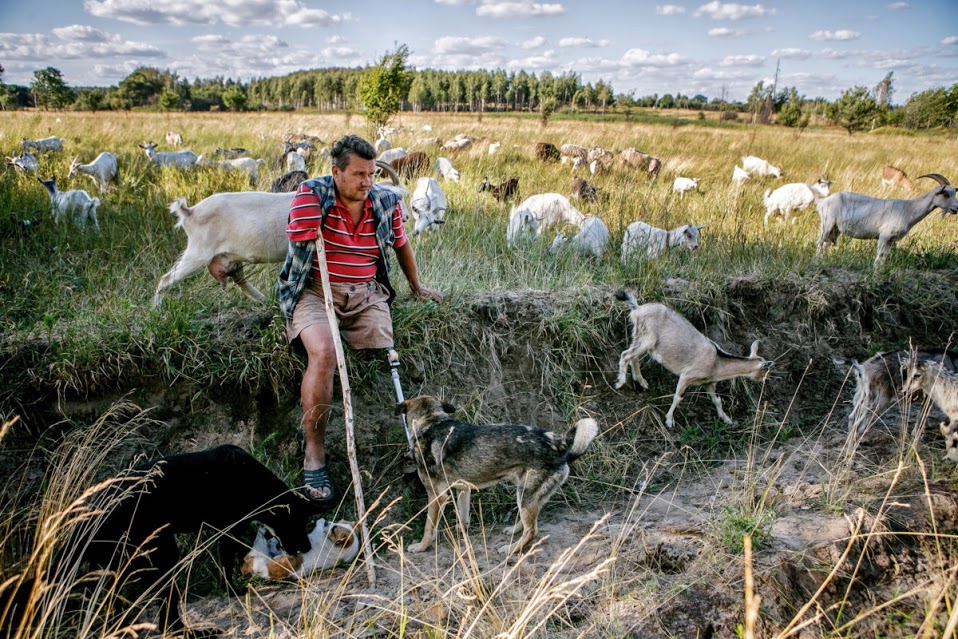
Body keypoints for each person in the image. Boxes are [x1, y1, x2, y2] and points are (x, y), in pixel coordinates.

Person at [276, 134, 443, 504]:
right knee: (324, 352)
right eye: (358, 175)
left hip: (366, 293)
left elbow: (401, 244)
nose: (367, 182)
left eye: (371, 173)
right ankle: (314, 454)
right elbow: (296, 239)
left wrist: (418, 288)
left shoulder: (384, 199)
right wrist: (310, 219)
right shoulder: (311, 194)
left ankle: (413, 450)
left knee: (390, 356)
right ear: (336, 172)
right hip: (316, 291)